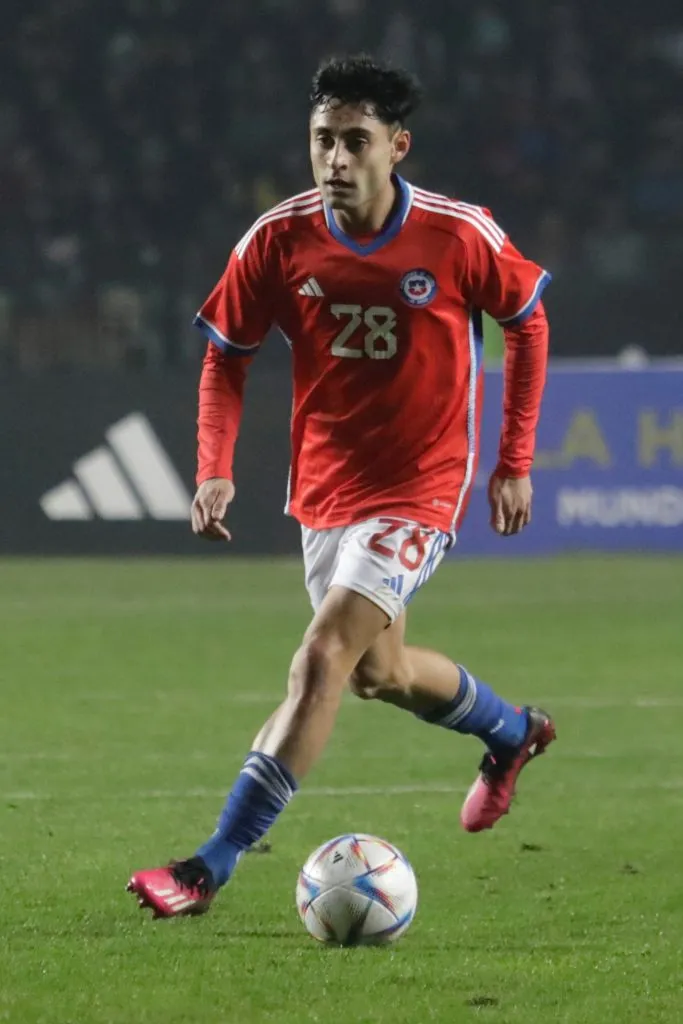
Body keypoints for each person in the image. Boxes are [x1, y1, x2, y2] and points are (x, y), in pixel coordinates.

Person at [127, 54, 555, 918]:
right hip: (325, 487)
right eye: (322, 140)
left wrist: (513, 460)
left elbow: (527, 320)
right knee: (378, 673)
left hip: (421, 484)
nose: (335, 160)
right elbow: (226, 355)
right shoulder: (277, 239)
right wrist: (214, 465)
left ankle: (209, 865)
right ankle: (511, 732)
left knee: (322, 657)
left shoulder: (456, 233)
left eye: (355, 142)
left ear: (396, 147)